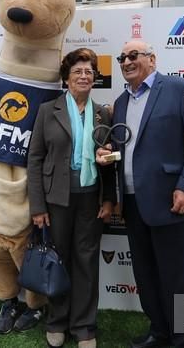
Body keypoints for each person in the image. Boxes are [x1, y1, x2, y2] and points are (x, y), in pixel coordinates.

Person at [96, 40, 184, 348]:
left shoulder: (178, 89)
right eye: (122, 57)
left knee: (182, 280)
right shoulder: (121, 102)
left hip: (173, 201)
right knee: (147, 277)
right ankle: (160, 333)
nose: (126, 61)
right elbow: (129, 147)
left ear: (151, 59)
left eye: (133, 55)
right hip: (134, 203)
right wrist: (109, 152)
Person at [27, 48, 116, 348]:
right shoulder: (47, 111)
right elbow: (35, 159)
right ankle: (56, 322)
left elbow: (111, 157)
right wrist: (37, 206)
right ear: (66, 78)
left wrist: (109, 199)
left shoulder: (104, 113)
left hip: (91, 198)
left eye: (89, 72)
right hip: (56, 201)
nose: (84, 76)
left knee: (87, 264)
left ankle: (84, 327)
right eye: (78, 71)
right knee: (58, 262)